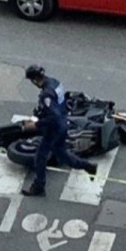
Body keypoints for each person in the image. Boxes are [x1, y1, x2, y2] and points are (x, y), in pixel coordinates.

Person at [21, 65, 97, 197]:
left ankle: (39, 186)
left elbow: (52, 117)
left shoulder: (46, 94)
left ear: (34, 80)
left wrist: (36, 124)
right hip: (63, 123)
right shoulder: (55, 82)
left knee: (40, 156)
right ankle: (88, 166)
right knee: (62, 154)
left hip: (54, 128)